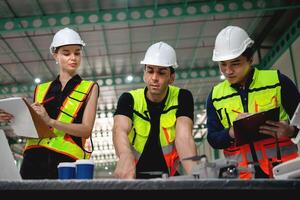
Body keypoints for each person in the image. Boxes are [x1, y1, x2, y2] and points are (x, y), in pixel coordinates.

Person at [206, 25, 300, 179]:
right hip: (243, 177)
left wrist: (291, 131)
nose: (228, 71)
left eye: (235, 63)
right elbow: (213, 139)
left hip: (284, 173)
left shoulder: (277, 82)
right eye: (223, 64)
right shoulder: (215, 96)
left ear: (250, 59)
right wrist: (231, 132)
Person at [20, 27, 99, 179]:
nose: (73, 57)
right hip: (33, 160)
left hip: (66, 163)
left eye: (77, 52)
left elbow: (86, 130)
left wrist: (50, 121)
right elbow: (32, 127)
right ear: (55, 55)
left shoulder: (89, 88)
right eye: (66, 53)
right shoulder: (40, 89)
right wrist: (16, 116)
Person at [113, 41, 198, 179]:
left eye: (161, 73)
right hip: (134, 177)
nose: (154, 78)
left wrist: (197, 176)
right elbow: (119, 130)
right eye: (150, 70)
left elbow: (184, 137)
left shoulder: (183, 97)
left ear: (171, 78)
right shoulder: (129, 99)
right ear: (144, 74)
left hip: (169, 177)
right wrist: (125, 155)